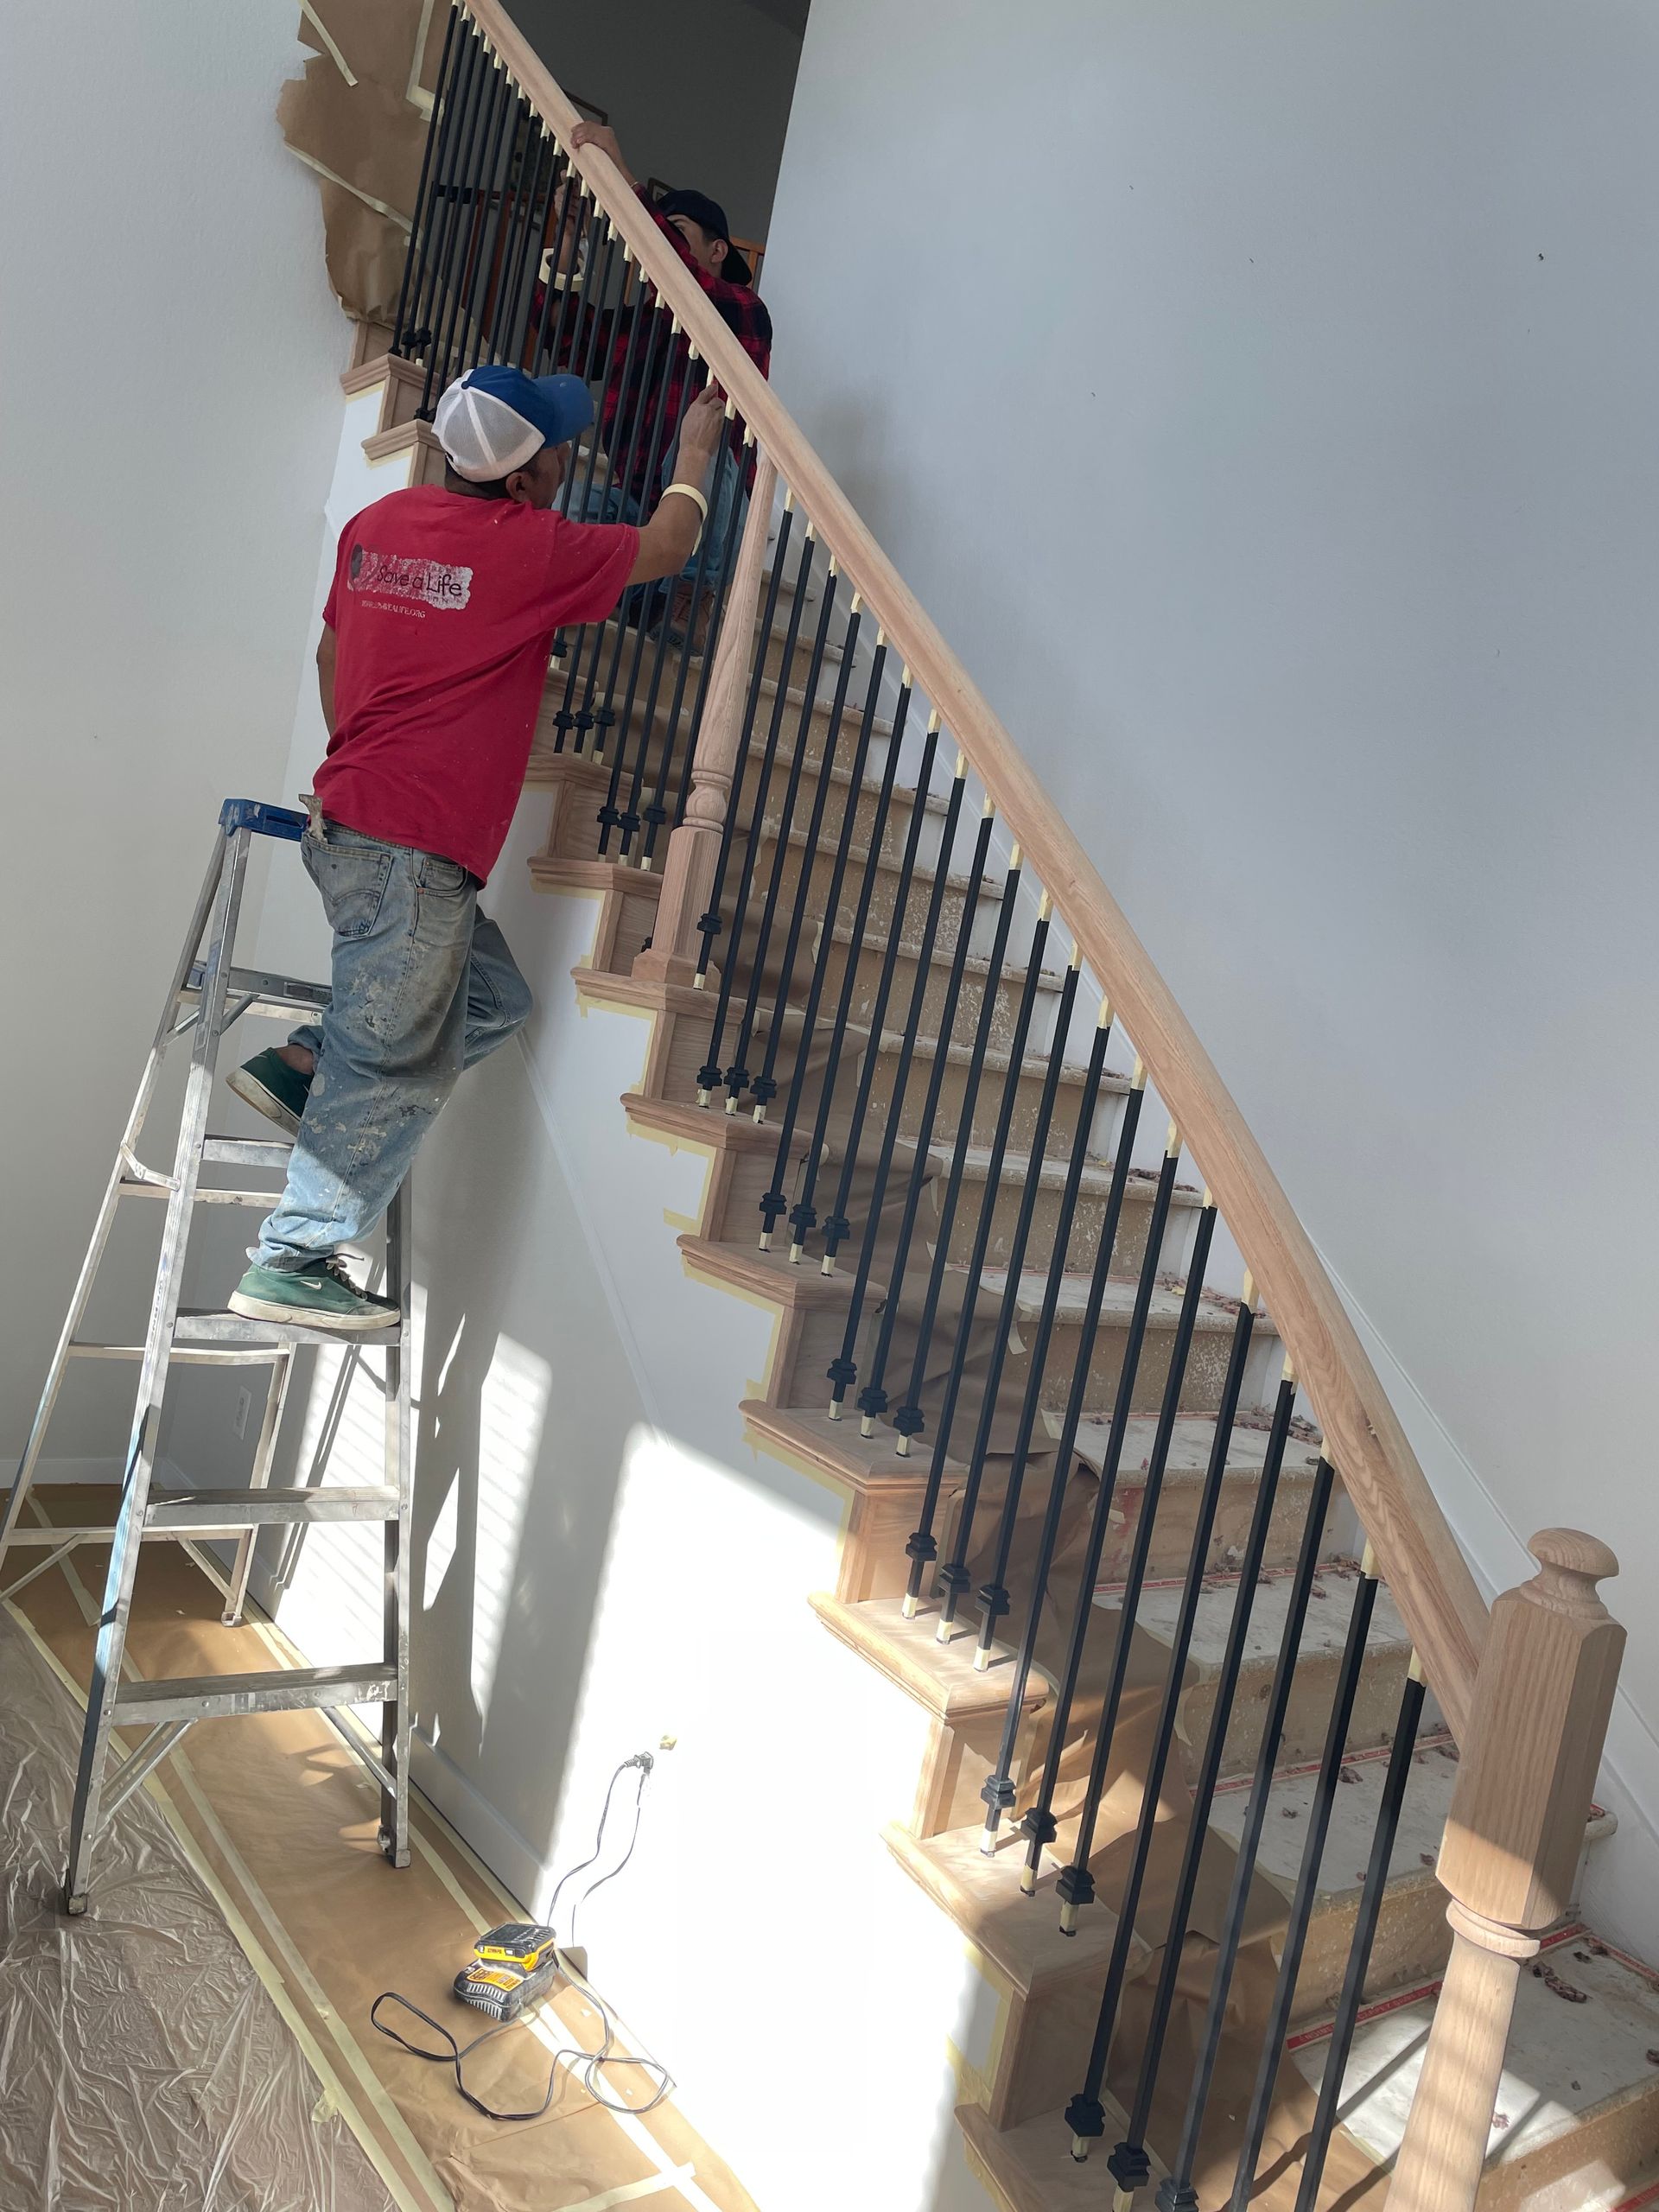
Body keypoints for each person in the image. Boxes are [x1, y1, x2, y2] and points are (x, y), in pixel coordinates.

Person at [223, 365, 727, 1336]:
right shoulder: (527, 551)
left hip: (352, 832)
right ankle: (291, 1258)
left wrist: (361, 760)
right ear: (527, 482)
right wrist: (696, 451)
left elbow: (330, 655)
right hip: (411, 858)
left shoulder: (379, 525)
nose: (574, 464)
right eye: (563, 454)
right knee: (390, 1067)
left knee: (494, 1001)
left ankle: (303, 1062)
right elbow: (669, 544)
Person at [537, 122, 772, 647]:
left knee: (706, 442)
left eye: (677, 228)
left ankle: (693, 595)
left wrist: (620, 180)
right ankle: (595, 601)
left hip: (707, 518)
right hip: (642, 510)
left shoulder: (743, 310)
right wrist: (569, 237)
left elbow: (677, 272)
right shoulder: (641, 321)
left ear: (715, 253)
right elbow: (561, 330)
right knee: (571, 500)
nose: (655, 239)